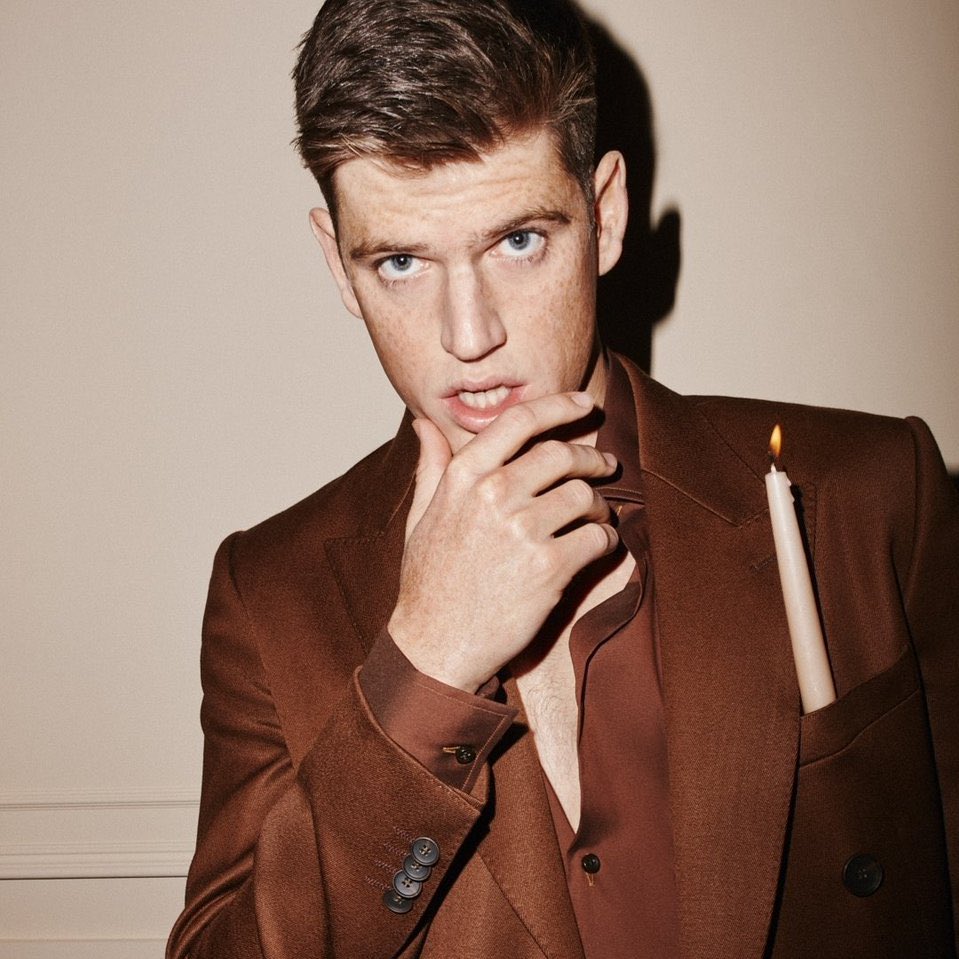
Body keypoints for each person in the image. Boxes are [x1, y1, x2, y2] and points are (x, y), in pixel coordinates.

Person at [167, 1, 959, 956]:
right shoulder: (268, 595)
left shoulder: (870, 495)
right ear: (340, 266)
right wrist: (425, 668)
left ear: (605, 214)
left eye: (518, 241)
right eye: (402, 261)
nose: (470, 336)